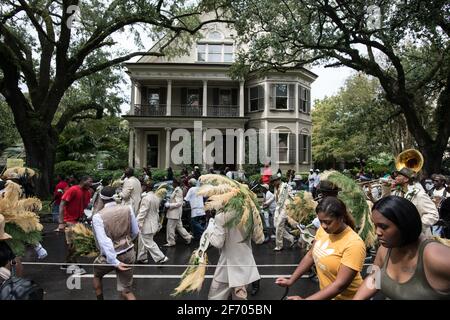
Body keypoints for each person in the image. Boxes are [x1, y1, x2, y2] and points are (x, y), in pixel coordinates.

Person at [354, 196, 450, 300]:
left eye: (383, 227)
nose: (377, 232)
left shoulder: (434, 256)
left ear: (404, 224)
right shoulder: (384, 250)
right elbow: (373, 278)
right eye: (375, 225)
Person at [276, 197, 366, 299]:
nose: (323, 226)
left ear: (341, 218)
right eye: (320, 221)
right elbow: (310, 255)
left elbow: (339, 285)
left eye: (328, 222)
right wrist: (291, 280)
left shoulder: (354, 244)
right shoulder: (323, 231)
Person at [92, 186, 139, 300]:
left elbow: (104, 241)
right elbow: (135, 232)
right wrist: (126, 241)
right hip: (128, 252)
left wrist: (114, 261)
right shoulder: (128, 209)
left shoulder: (98, 216)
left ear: (101, 199)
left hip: (110, 256)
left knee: (97, 275)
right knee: (126, 291)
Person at [207, 211, 261, 300]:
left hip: (227, 267)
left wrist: (210, 227)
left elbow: (217, 242)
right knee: (239, 298)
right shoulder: (249, 212)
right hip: (244, 265)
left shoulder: (221, 216)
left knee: (215, 297)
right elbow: (258, 239)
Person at [58, 176, 92, 273]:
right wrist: (61, 222)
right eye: (90, 181)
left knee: (73, 244)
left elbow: (82, 207)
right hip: (69, 221)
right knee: (76, 243)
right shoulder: (73, 189)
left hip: (78, 221)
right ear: (83, 181)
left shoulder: (88, 193)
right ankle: (75, 265)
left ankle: (67, 263)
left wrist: (86, 218)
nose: (91, 183)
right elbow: (62, 204)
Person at [390, 167, 439, 235]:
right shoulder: (396, 193)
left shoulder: (419, 194)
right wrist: (386, 187)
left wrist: (415, 225)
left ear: (406, 179)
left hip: (419, 236)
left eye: (399, 176)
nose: (395, 177)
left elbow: (433, 215)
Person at [136, 188, 168, 264]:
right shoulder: (156, 198)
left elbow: (143, 212)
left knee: (148, 242)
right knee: (143, 241)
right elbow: (157, 212)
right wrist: (158, 223)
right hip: (152, 224)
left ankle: (161, 257)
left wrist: (137, 223)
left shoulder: (146, 198)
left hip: (146, 225)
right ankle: (142, 257)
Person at [164, 179, 193, 246]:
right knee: (179, 227)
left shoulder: (178, 190)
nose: (172, 184)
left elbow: (179, 203)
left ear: (176, 183)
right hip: (175, 213)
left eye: (173, 183)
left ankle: (171, 241)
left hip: (174, 213)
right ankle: (188, 237)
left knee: (170, 227)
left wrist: (169, 205)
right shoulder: (176, 190)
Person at [271, 175, 295, 251]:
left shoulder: (286, 186)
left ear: (278, 180)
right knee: (276, 226)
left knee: (278, 226)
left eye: (273, 182)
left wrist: (293, 205)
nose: (272, 184)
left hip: (284, 209)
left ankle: (279, 245)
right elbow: (274, 197)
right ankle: (291, 238)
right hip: (278, 209)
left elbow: (292, 196)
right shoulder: (275, 188)